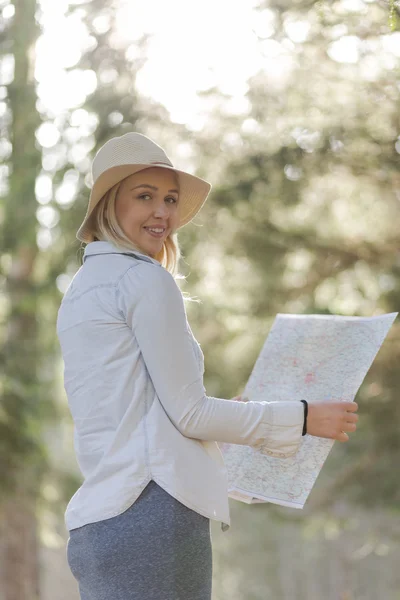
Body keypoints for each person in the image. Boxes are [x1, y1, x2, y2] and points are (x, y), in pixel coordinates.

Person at [56, 132, 359, 600]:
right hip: (153, 522)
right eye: (145, 196)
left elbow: (140, 418)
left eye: (171, 199)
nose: (163, 212)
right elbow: (189, 414)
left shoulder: (81, 290)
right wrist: (303, 417)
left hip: (100, 528)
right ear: (108, 206)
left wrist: (226, 420)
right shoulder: (144, 280)